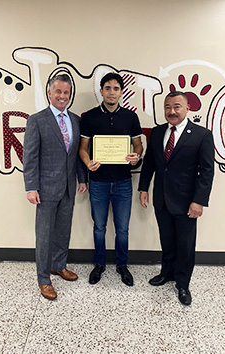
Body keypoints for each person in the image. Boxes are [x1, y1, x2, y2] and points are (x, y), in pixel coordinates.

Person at [138, 91, 214, 305]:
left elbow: (207, 171)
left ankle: (183, 283)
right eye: (167, 107)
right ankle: (167, 273)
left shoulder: (201, 135)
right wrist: (144, 188)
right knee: (167, 239)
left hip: (187, 201)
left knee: (185, 243)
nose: (171, 111)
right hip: (161, 198)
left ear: (187, 108)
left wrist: (199, 201)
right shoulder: (158, 132)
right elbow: (150, 163)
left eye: (177, 106)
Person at [23, 74, 87, 300]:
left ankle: (58, 265)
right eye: (58, 92)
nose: (62, 96)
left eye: (66, 93)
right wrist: (31, 187)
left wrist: (82, 179)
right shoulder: (37, 120)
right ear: (49, 93)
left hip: (69, 187)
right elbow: (29, 157)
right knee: (44, 235)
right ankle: (43, 278)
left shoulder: (76, 120)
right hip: (45, 189)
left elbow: (77, 155)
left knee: (63, 231)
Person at [79, 72, 143, 286]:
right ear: (101, 91)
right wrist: (88, 163)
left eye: (116, 88)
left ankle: (122, 265)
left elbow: (138, 145)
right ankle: (99, 264)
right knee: (99, 226)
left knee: (123, 228)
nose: (112, 92)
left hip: (124, 182)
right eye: (108, 88)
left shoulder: (130, 117)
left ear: (121, 92)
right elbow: (83, 148)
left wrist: (137, 156)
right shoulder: (89, 117)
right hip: (98, 182)